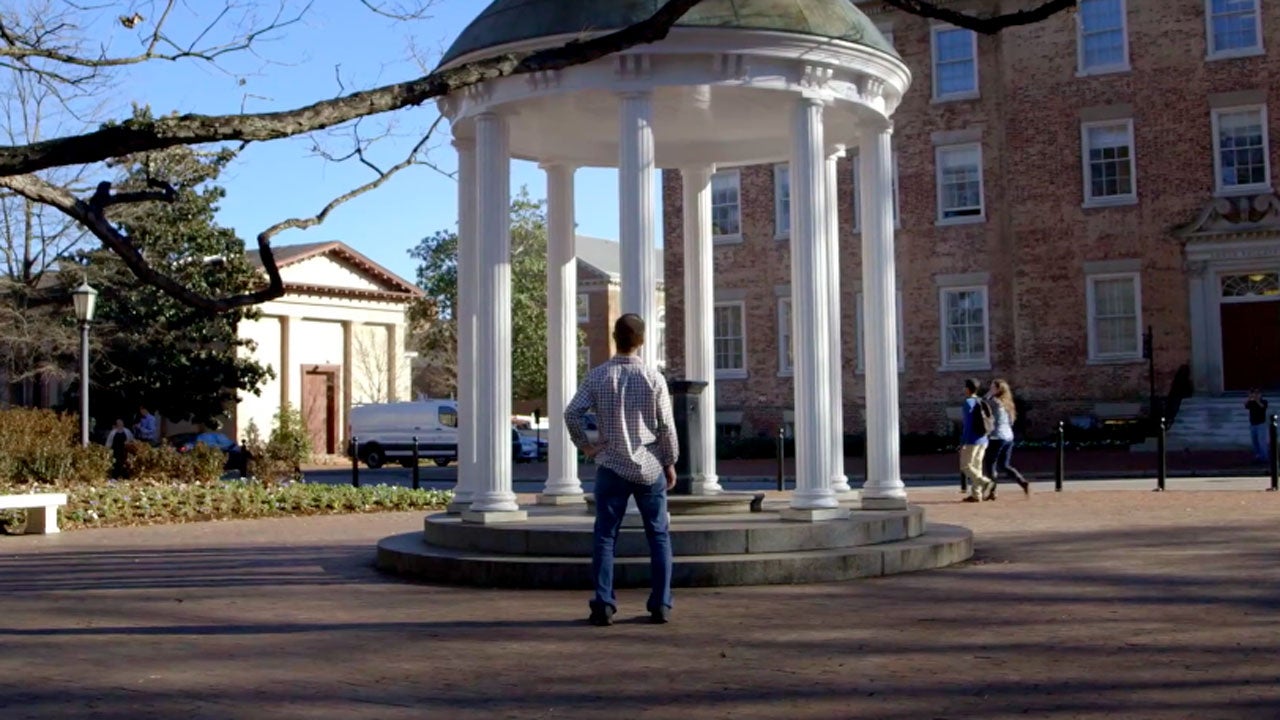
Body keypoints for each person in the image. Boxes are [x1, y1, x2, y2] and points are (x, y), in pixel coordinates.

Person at [565, 314, 678, 626]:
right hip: (649, 466)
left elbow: (572, 412)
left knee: (604, 535)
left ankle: (603, 603)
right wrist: (669, 462)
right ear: (641, 340)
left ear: (615, 338)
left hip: (611, 464)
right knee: (658, 535)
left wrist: (586, 446)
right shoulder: (654, 378)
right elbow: (666, 426)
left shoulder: (598, 376)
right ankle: (661, 603)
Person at [983, 379, 1030, 496]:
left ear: (999, 390)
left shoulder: (994, 402)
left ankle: (992, 492)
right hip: (1008, 437)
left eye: (993, 387)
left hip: (996, 437)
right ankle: (1022, 481)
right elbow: (1011, 422)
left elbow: (982, 403)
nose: (991, 389)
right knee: (1004, 465)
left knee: (990, 463)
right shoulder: (1008, 404)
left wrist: (988, 394)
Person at [959, 378, 995, 503]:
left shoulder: (968, 402)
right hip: (984, 439)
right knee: (977, 466)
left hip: (972, 440)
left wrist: (963, 441)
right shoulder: (981, 401)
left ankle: (985, 482)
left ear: (968, 389)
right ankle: (976, 494)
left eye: (965, 387)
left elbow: (967, 425)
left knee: (966, 466)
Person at [1246, 389, 1271, 464]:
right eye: (1255, 393)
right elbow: (1246, 405)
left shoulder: (1264, 401)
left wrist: (1257, 400)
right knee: (1255, 441)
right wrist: (1249, 398)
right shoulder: (1251, 402)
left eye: (1258, 394)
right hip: (1253, 424)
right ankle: (1257, 456)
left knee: (1262, 441)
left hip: (1261, 424)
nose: (1256, 395)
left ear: (1261, 395)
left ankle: (1264, 457)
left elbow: (1262, 407)